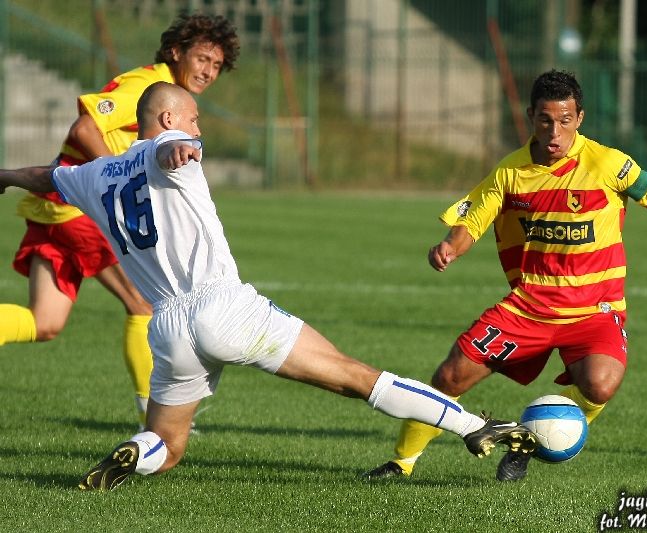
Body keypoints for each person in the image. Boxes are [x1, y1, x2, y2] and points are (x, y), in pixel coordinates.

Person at [0, 82, 537, 491]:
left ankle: (137, 452)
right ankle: (474, 424)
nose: (199, 129)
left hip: (166, 325)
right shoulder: (175, 148)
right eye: (194, 118)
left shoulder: (96, 174)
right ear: (167, 119)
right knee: (355, 376)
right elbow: (170, 151)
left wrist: (5, 177)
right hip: (223, 306)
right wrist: (176, 151)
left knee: (168, 443)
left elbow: (48, 177)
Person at [363, 69, 647, 483]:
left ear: (580, 118)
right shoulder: (511, 172)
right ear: (530, 117)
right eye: (545, 120)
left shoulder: (609, 164)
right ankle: (402, 463)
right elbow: (474, 220)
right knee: (450, 376)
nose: (555, 132)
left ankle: (529, 440)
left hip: (594, 310)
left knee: (600, 385)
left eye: (565, 121)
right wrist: (450, 247)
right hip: (529, 307)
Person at [0, 13, 240, 427]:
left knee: (44, 322)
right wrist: (116, 177)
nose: (208, 71)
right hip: (80, 209)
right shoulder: (146, 87)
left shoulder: (165, 94)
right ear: (176, 52)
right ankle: (154, 421)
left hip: (60, 204)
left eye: (216, 65)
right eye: (202, 59)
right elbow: (84, 128)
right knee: (143, 302)